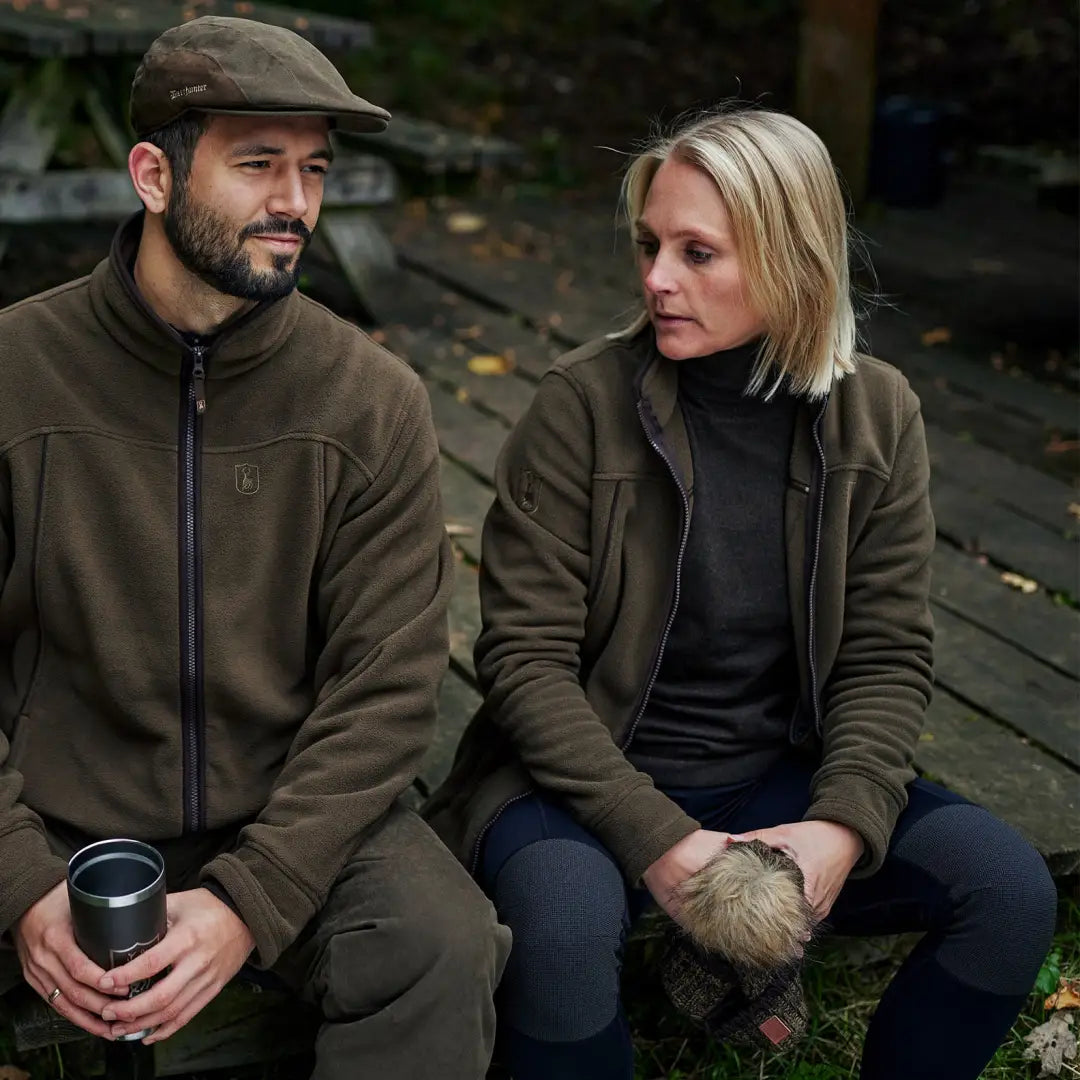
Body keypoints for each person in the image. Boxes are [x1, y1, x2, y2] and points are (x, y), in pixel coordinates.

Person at [425, 106, 1058, 1079]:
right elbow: (522, 662)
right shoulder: (582, 408)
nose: (655, 279)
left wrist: (842, 825)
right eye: (650, 245)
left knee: (1011, 890)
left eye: (697, 253)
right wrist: (661, 842)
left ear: (792, 258)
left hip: (774, 771)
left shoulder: (877, 415)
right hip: (580, 782)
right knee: (559, 930)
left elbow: (886, 654)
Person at [0, 16, 508, 1079]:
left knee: (439, 942)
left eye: (315, 168)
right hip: (53, 815)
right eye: (259, 165)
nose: (297, 204)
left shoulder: (371, 402)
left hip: (294, 814)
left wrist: (250, 898)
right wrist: (18, 883)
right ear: (152, 173)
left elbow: (387, 689)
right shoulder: (16, 374)